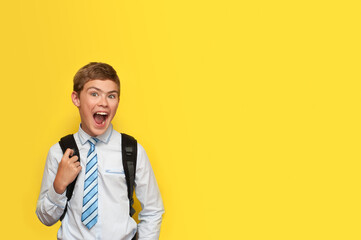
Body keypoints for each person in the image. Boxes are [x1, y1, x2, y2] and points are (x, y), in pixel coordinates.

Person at [36, 62, 164, 240]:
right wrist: (58, 187)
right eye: (94, 94)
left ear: (118, 101)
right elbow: (46, 218)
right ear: (76, 99)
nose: (103, 103)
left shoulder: (132, 151)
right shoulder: (59, 152)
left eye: (111, 96)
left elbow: (153, 210)